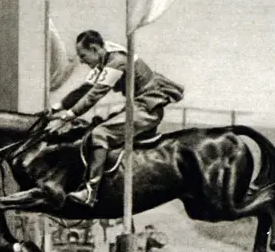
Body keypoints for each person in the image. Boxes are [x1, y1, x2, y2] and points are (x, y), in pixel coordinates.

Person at [46, 29, 184, 207]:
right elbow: (85, 89)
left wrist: (68, 116)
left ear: (95, 49)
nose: (81, 60)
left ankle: (90, 192)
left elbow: (94, 95)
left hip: (146, 109)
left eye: (83, 55)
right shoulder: (105, 59)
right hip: (138, 106)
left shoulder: (116, 62)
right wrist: (57, 107)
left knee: (100, 134)